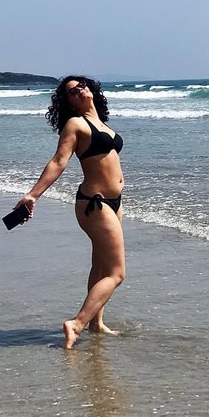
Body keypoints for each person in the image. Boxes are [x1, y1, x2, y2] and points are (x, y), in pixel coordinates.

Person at [12, 75, 125, 349]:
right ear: (69, 103)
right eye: (72, 91)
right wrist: (32, 194)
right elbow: (58, 161)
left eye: (82, 85)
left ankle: (97, 323)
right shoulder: (75, 124)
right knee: (117, 273)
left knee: (100, 266)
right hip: (94, 203)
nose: (80, 90)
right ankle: (77, 323)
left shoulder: (102, 125)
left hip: (115, 203)